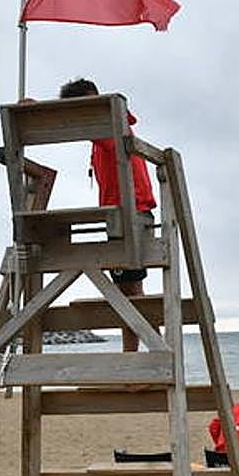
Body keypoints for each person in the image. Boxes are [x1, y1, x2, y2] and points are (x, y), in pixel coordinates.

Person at [58, 77, 157, 352]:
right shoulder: (109, 130)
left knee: (132, 293)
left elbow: (74, 124)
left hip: (131, 213)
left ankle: (146, 355)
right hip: (125, 214)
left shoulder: (111, 126)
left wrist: (38, 109)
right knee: (129, 292)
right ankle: (142, 354)